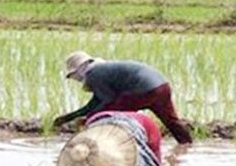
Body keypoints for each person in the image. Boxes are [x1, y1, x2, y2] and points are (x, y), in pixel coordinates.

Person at [53, 51, 193, 144]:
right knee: (172, 122)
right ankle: (186, 146)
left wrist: (89, 118)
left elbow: (107, 101)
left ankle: (114, 146)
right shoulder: (101, 70)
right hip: (161, 86)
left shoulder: (93, 74)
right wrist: (69, 117)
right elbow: (95, 102)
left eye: (73, 75)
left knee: (109, 116)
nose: (75, 79)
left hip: (143, 90)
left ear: (79, 69)